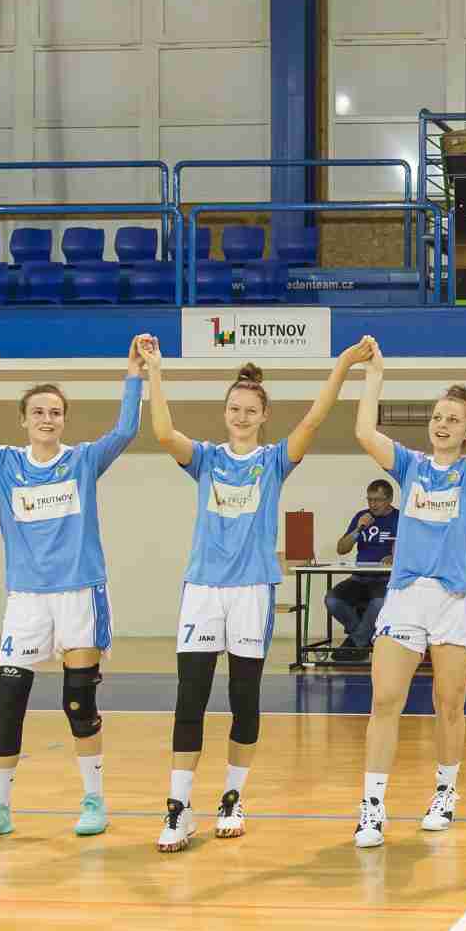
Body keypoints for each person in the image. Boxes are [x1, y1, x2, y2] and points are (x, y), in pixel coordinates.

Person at [144, 341, 369, 852]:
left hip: (251, 591)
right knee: (190, 699)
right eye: (234, 409)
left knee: (243, 699)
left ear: (264, 415)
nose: (241, 416)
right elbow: (162, 433)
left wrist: (342, 365)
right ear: (225, 412)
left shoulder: (273, 461)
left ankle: (232, 798)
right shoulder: (206, 458)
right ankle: (178, 808)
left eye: (250, 410)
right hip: (203, 590)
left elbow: (314, 419)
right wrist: (155, 371)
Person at [0, 336, 149, 843]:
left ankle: (94, 801)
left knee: (78, 703)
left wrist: (134, 374)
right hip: (26, 600)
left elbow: (126, 430)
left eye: (55, 412)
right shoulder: (2, 464)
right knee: (9, 704)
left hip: (79, 595)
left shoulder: (84, 461)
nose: (47, 419)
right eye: (38, 412)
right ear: (23, 420)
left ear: (64, 420)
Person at [348, 331, 466, 848]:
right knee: (385, 699)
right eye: (438, 417)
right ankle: (372, 806)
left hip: (455, 601)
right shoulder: (411, 465)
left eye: (453, 419)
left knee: (449, 702)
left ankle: (445, 791)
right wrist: (374, 375)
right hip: (407, 597)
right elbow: (364, 431)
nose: (443, 424)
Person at [327, 480, 398, 660]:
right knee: (332, 600)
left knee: (379, 603)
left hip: (384, 579)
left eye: (378, 500)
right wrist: (358, 528)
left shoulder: (399, 518)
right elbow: (341, 549)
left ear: (389, 499)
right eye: (370, 499)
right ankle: (363, 639)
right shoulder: (362, 516)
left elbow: (412, 550)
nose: (373, 504)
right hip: (359, 578)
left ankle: (356, 642)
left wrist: (395, 558)